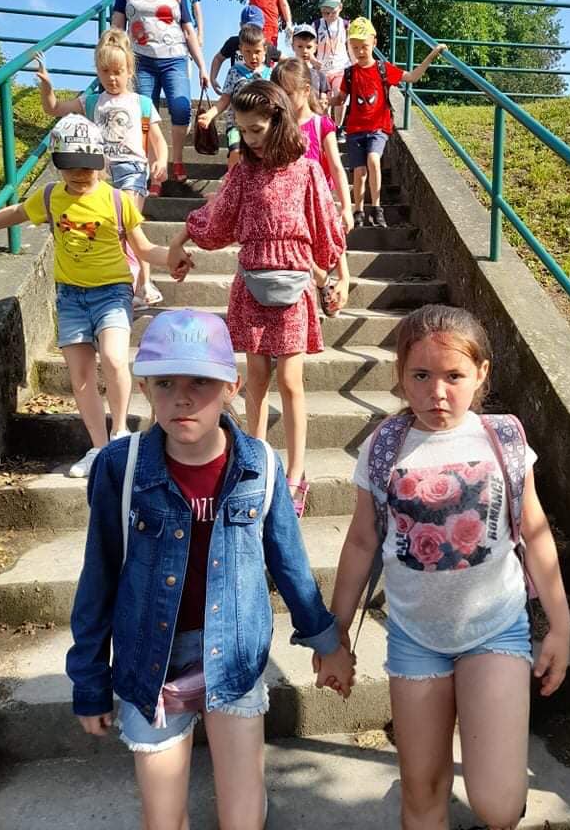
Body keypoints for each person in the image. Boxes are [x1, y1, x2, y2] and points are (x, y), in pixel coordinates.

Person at [66, 308, 355, 830]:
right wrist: (89, 679)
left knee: (243, 816)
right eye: (166, 383)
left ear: (231, 386)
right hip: (150, 660)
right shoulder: (120, 467)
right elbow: (98, 577)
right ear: (145, 388)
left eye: (200, 381)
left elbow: (289, 564)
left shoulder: (260, 466)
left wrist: (327, 643)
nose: (182, 397)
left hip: (234, 655)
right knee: (162, 818)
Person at [325, 304, 570, 830]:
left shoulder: (504, 439)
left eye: (454, 376)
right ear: (400, 375)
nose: (437, 392)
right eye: (421, 375)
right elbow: (362, 541)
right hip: (415, 637)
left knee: (499, 807)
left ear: (481, 374)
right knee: (422, 792)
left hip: (495, 630)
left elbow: (534, 531)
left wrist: (560, 626)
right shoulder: (383, 447)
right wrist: (335, 635)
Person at [168, 81, 346, 518]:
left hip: (294, 284)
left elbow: (327, 226)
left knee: (291, 380)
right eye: (243, 131)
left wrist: (338, 274)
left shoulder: (307, 170)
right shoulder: (243, 173)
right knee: (258, 378)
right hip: (252, 283)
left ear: (279, 122)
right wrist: (177, 241)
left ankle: (296, 473)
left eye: (257, 129)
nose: (250, 139)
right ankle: (256, 462)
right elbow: (215, 217)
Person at [0, 115, 190, 477]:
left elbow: (144, 249)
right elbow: (18, 212)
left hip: (112, 292)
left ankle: (120, 433)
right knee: (80, 375)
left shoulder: (117, 200)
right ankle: (99, 447)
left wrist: (172, 257)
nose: (80, 174)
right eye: (70, 167)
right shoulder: (50, 196)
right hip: (70, 296)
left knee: (113, 358)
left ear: (101, 162)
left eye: (87, 166)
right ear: (57, 164)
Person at [36, 29, 168, 311]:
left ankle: (144, 284)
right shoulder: (91, 101)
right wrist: (47, 88)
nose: (112, 78)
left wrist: (161, 160)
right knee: (112, 230)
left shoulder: (142, 103)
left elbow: (158, 140)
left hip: (132, 168)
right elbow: (54, 109)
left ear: (130, 70)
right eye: (105, 71)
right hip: (99, 171)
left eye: (118, 72)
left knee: (129, 226)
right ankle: (123, 283)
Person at [111, 0, 209, 185]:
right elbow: (117, 26)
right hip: (140, 60)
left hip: (174, 58)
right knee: (146, 115)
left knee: (181, 108)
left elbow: (188, 29)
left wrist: (202, 66)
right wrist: (112, 56)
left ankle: (176, 159)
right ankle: (155, 172)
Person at [330, 17, 447, 230]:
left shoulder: (383, 69)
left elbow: (412, 77)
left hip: (378, 128)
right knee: (359, 172)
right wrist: (322, 101)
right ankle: (358, 210)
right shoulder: (350, 73)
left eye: (364, 46)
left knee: (373, 160)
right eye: (355, 47)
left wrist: (432, 55)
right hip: (355, 130)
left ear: (374, 43)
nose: (360, 51)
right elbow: (340, 99)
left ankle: (376, 208)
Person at [271, 57, 351, 317]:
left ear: (306, 91)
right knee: (299, 251)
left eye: (288, 94)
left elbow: (337, 167)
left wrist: (347, 207)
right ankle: (321, 280)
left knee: (331, 238)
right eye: (278, 95)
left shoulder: (320, 123)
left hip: (319, 200)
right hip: (290, 204)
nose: (282, 101)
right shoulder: (277, 127)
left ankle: (341, 281)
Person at [198, 23, 272, 172]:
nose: (253, 56)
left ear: (265, 49)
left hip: (261, 126)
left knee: (262, 156)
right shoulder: (235, 72)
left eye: (257, 51)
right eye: (248, 52)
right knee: (235, 152)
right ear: (240, 50)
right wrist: (210, 115)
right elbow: (225, 99)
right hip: (237, 125)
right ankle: (232, 181)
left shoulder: (270, 74)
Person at [209, 5, 283, 93]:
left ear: (262, 28)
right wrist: (213, 78)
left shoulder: (266, 45)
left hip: (261, 92)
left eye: (256, 28)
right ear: (241, 26)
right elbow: (218, 58)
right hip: (239, 90)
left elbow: (285, 60)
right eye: (248, 28)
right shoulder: (233, 43)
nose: (251, 32)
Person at [313, 0, 352, 129]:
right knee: (324, 100)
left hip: (340, 67)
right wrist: (313, 61)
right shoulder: (316, 25)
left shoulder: (346, 25)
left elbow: (351, 47)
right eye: (325, 12)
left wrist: (355, 64)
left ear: (340, 8)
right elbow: (310, 47)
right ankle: (326, 127)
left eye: (333, 12)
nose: (329, 16)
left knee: (340, 95)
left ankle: (338, 127)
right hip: (322, 69)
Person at [167, 0, 204, 78]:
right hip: (172, 29)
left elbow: (198, 13)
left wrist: (200, 34)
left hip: (189, 31)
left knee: (187, 64)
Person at [291, 24, 330, 110]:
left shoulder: (320, 74)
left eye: (308, 47)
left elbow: (323, 100)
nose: (304, 50)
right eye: (300, 46)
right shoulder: (288, 72)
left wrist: (323, 103)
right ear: (293, 46)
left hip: (314, 114)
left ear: (315, 48)